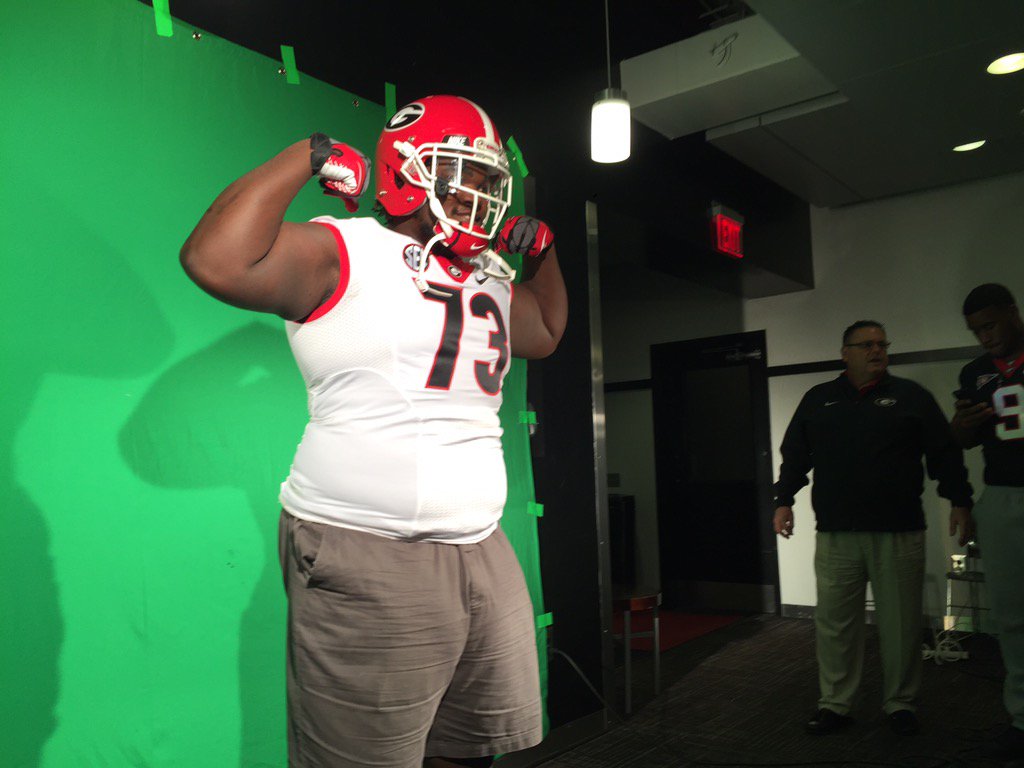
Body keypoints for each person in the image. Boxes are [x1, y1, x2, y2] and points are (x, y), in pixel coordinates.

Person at [180, 95, 567, 768]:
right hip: (365, 543)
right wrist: (306, 156)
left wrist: (546, 255)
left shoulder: (488, 276)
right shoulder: (348, 248)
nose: (480, 194)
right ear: (408, 172)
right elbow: (215, 259)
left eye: (489, 180)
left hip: (480, 542)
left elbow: (548, 331)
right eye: (465, 175)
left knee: (472, 749)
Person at [772, 320, 973, 737]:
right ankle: (835, 704)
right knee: (835, 624)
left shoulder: (911, 397)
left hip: (898, 530)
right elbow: (795, 454)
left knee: (901, 625)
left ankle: (900, 704)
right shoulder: (819, 399)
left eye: (882, 343)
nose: (876, 350)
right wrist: (783, 500)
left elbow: (944, 452)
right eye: (865, 345)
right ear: (845, 353)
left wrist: (959, 500)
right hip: (837, 533)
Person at [951, 283, 1024, 762]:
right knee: (1012, 616)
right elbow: (963, 440)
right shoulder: (974, 373)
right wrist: (960, 428)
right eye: (976, 331)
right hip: (1001, 496)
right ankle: (1022, 719)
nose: (985, 337)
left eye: (991, 325)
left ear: (1013, 312)